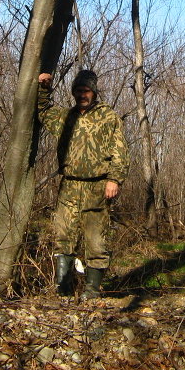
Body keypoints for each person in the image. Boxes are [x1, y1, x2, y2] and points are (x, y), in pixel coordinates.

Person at [37, 69, 128, 298]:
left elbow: (120, 152)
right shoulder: (65, 117)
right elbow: (43, 110)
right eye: (78, 91)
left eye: (86, 90)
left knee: (96, 240)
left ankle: (91, 292)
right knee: (63, 237)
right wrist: (43, 88)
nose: (82, 95)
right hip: (69, 186)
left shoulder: (108, 117)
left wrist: (114, 179)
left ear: (94, 92)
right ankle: (63, 291)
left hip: (97, 187)